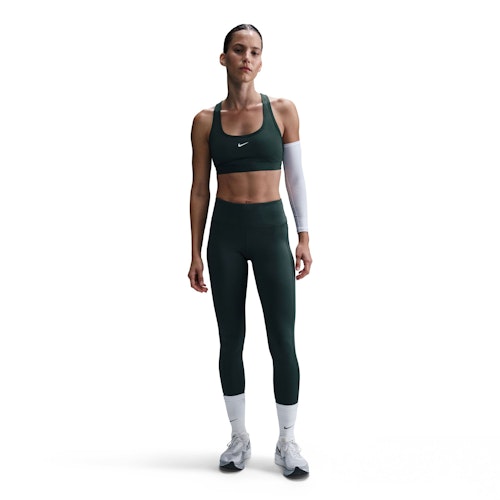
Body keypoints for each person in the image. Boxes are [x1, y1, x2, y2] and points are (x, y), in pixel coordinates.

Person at [188, 24, 312, 478]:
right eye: (239, 50)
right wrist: (195, 251)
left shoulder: (282, 110)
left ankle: (287, 440)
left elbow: (295, 178)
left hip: (269, 232)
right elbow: (199, 189)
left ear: (262, 60)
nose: (247, 58)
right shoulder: (205, 121)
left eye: (255, 52)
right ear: (224, 58)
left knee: (282, 338)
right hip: (225, 236)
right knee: (231, 339)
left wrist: (303, 235)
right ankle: (238, 437)